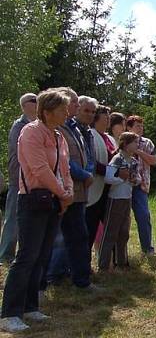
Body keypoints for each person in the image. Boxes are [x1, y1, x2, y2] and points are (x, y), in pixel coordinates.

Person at [0, 89, 74, 333]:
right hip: (33, 201)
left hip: (53, 201)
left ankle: (30, 306)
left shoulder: (59, 136)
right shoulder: (30, 132)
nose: (67, 112)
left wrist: (67, 192)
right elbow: (40, 169)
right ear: (47, 111)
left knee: (42, 255)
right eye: (63, 108)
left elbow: (64, 169)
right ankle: (9, 313)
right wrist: (63, 194)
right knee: (27, 256)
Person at [56, 89, 96, 291]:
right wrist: (84, 175)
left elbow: (86, 155)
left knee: (79, 236)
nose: (76, 106)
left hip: (78, 192)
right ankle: (50, 278)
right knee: (56, 239)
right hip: (62, 191)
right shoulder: (57, 129)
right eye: (73, 102)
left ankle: (81, 280)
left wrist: (88, 172)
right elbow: (64, 160)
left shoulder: (74, 128)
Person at [0, 93, 38, 264]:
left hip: (31, 180)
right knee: (12, 218)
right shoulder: (20, 125)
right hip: (18, 178)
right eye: (33, 101)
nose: (37, 103)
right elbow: (19, 155)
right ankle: (6, 254)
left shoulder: (35, 125)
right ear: (24, 105)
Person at [98, 132, 141, 271]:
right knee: (111, 231)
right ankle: (103, 264)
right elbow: (108, 178)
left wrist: (135, 180)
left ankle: (121, 262)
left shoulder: (134, 161)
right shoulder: (117, 159)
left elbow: (138, 177)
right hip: (115, 199)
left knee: (124, 232)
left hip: (127, 198)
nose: (137, 145)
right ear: (126, 144)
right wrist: (121, 178)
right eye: (135, 142)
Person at [125, 116, 156, 255]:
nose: (141, 128)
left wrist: (138, 151)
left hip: (141, 185)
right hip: (123, 185)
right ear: (129, 127)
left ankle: (147, 249)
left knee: (144, 216)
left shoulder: (147, 143)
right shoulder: (123, 141)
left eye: (142, 126)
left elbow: (153, 161)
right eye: (137, 126)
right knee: (122, 219)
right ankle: (121, 252)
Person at [84, 101, 112, 259]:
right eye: (105, 116)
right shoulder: (91, 135)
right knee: (90, 224)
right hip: (94, 187)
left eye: (109, 117)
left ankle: (104, 259)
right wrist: (113, 171)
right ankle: (85, 260)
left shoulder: (108, 138)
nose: (108, 119)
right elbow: (92, 162)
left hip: (107, 188)